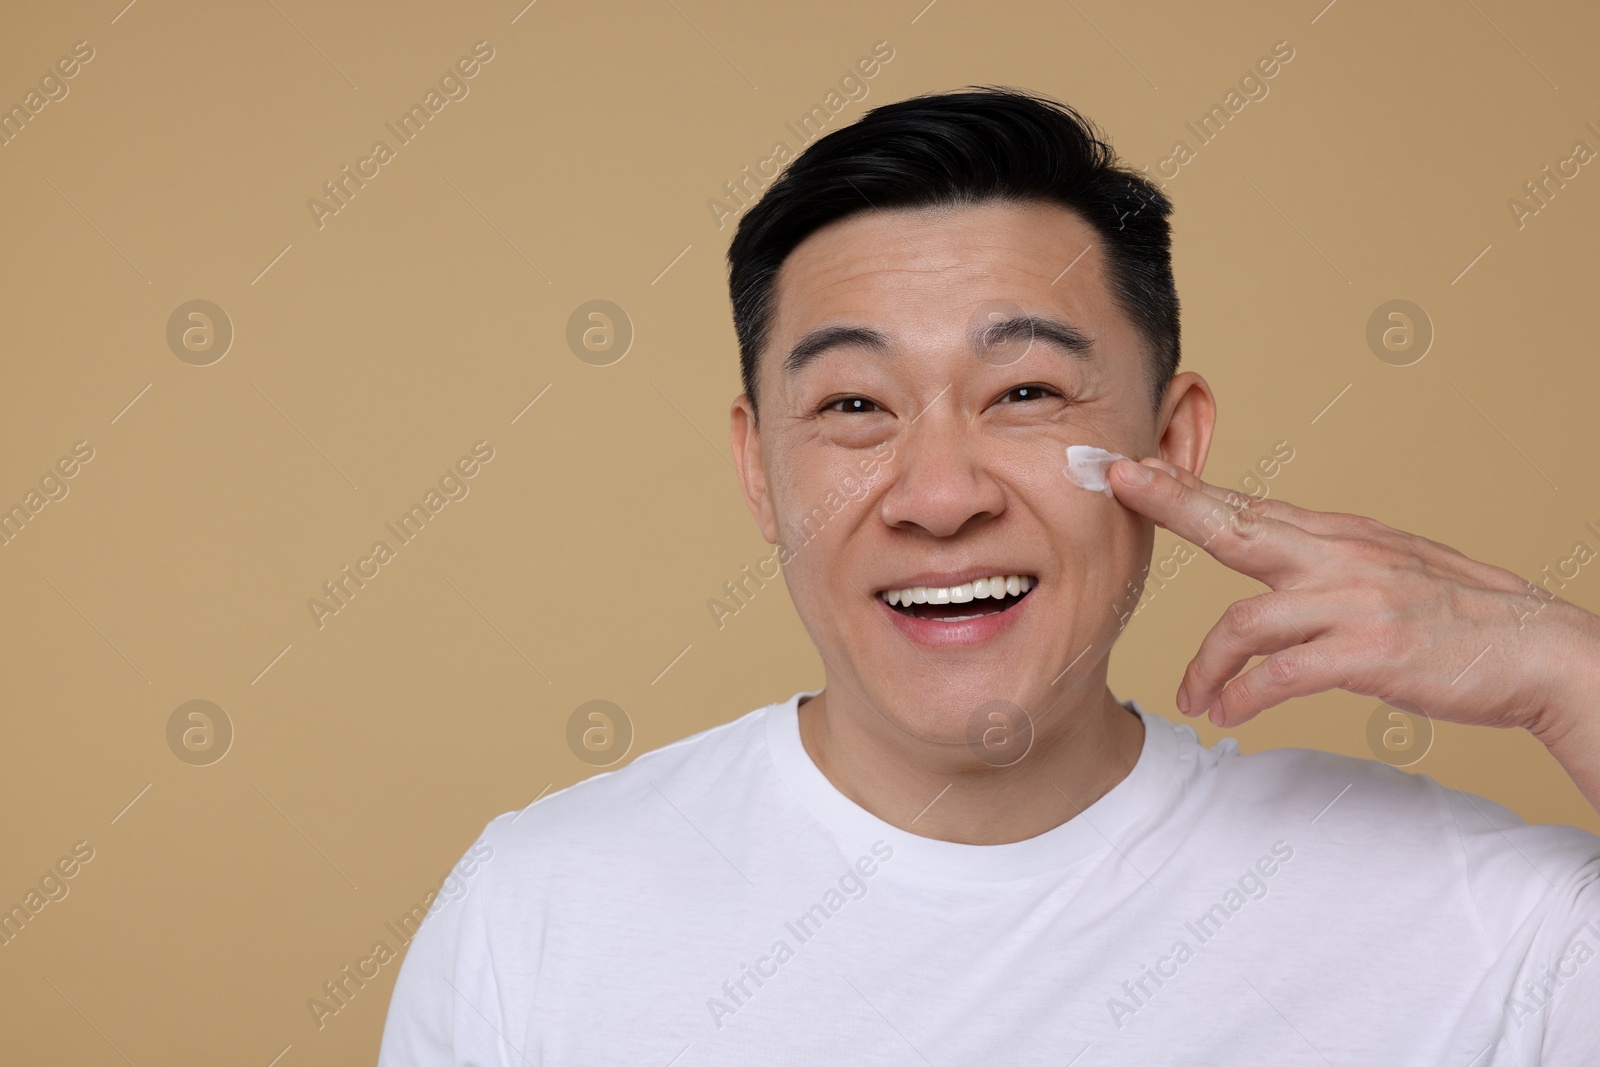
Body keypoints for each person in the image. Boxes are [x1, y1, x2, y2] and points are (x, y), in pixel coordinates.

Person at [377, 86, 1600, 1065]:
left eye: (1024, 392)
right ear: (759, 470)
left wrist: (1573, 675)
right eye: (854, 404)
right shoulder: (538, 913)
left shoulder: (1481, 923)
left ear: (1169, 444)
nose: (943, 493)